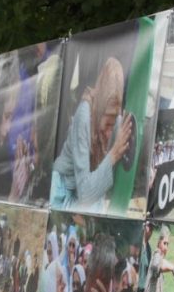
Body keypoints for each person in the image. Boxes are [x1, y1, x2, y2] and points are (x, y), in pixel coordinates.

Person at [50, 57, 134, 210]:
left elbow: (121, 124)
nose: (109, 133)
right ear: (100, 108)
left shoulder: (112, 115)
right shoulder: (85, 115)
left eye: (113, 124)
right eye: (107, 124)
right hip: (64, 189)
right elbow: (85, 194)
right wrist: (113, 155)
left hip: (82, 189)